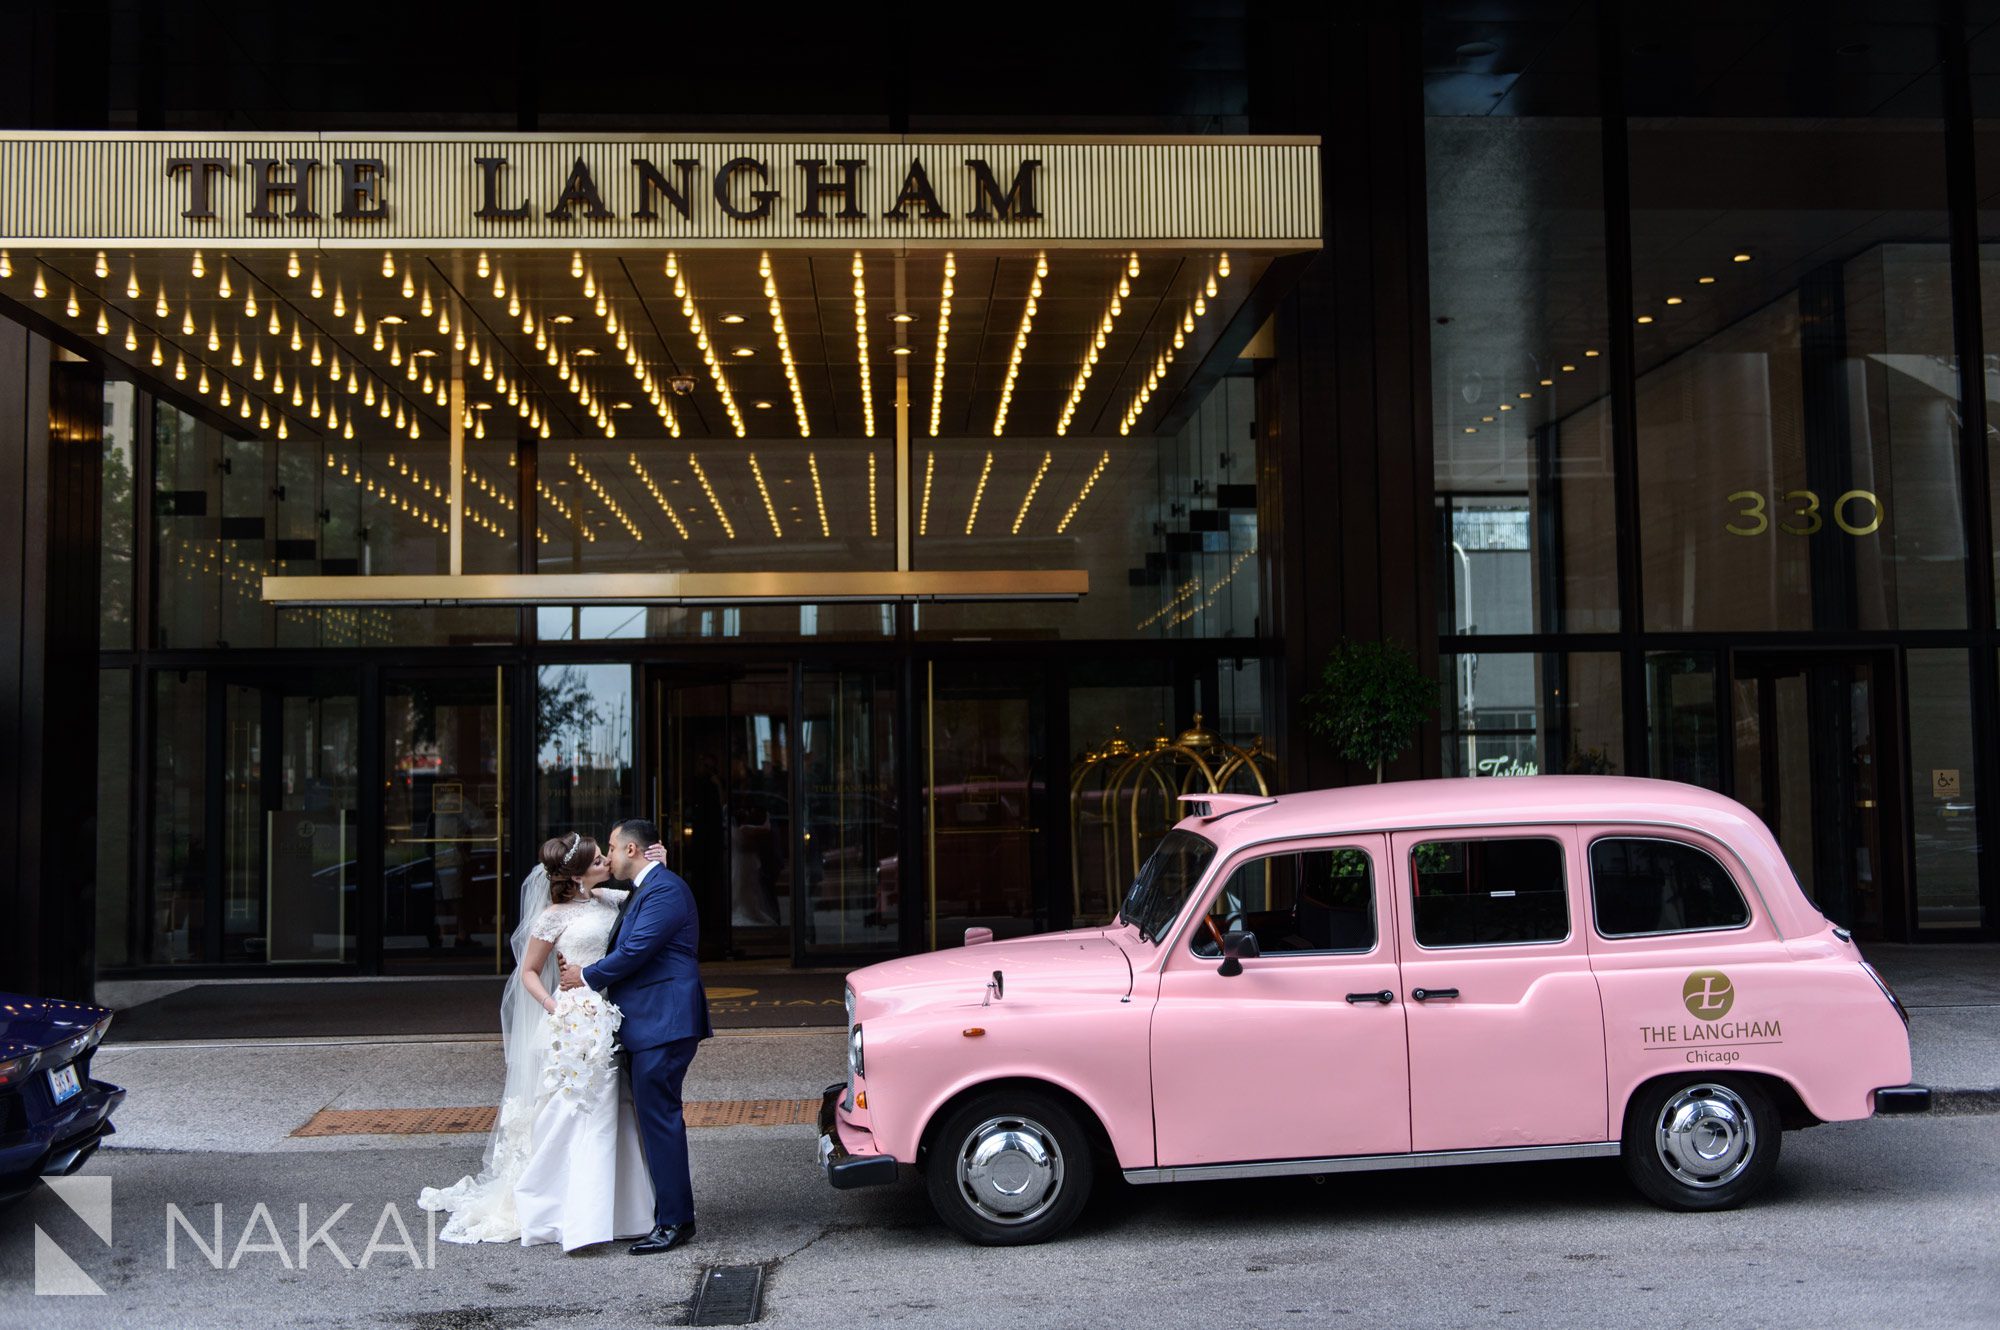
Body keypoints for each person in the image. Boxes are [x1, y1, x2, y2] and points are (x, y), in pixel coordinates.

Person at [417, 833, 655, 1250]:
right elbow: (528, 971)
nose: (607, 862)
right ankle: (562, 1208)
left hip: (611, 1015)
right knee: (571, 1110)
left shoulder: (611, 901)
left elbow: (645, 894)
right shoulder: (553, 917)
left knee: (614, 1110)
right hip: (574, 1020)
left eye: (606, 856)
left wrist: (659, 862)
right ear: (579, 875)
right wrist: (555, 1007)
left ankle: (619, 1209)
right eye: (600, 859)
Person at [560, 816, 713, 1255]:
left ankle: (675, 1222)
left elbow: (635, 951)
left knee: (660, 1120)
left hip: (664, 1022)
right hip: (649, 1022)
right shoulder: (646, 888)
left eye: (611, 846)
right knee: (654, 1119)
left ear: (631, 850)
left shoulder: (664, 890)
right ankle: (667, 1212)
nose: (606, 855)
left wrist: (584, 977)